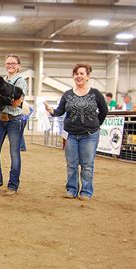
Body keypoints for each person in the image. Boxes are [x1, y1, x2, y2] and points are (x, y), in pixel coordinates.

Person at [45, 63, 108, 201]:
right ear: (73, 76)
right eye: (76, 74)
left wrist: (96, 125)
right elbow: (60, 111)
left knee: (87, 165)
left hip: (90, 135)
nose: (78, 76)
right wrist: (52, 111)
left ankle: (86, 191)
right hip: (71, 134)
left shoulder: (95, 93)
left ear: (87, 76)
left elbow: (104, 111)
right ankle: (71, 189)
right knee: (71, 164)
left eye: (81, 73)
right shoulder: (67, 94)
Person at [0, 54, 28, 195]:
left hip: (14, 120)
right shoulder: (2, 81)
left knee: (14, 153)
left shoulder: (20, 81)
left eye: (13, 63)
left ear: (18, 66)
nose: (10, 65)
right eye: (8, 63)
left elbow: (17, 102)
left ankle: (13, 186)